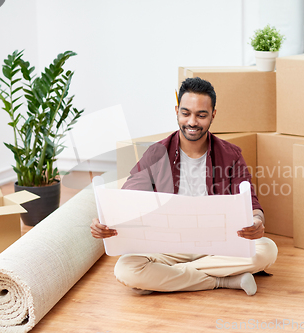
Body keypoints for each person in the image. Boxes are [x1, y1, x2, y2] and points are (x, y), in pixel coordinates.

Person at [90, 77, 277, 296]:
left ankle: (165, 277)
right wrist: (106, 222)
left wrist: (256, 221)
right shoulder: (156, 153)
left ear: (213, 115)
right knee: (126, 269)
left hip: (217, 243)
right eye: (186, 113)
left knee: (267, 250)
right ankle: (223, 281)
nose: (192, 122)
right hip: (167, 246)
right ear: (177, 111)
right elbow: (129, 197)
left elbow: (251, 202)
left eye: (201, 115)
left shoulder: (231, 154)